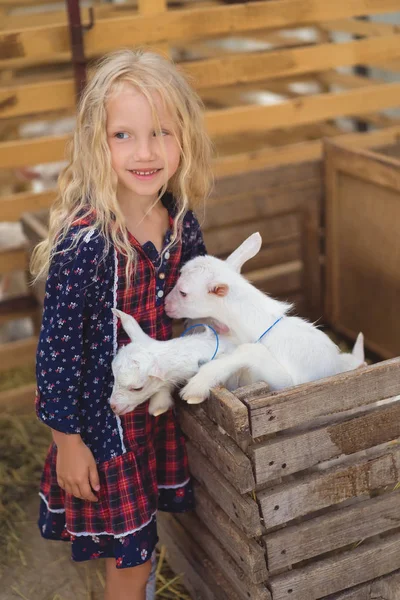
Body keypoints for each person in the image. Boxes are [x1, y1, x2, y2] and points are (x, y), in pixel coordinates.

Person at [31, 48, 212, 600]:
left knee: (141, 543)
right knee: (128, 561)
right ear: (97, 143)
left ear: (183, 139)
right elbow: (56, 353)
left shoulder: (180, 224)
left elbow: (199, 307)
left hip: (154, 412)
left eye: (161, 132)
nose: (146, 152)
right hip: (104, 430)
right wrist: (67, 443)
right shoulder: (86, 244)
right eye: (124, 136)